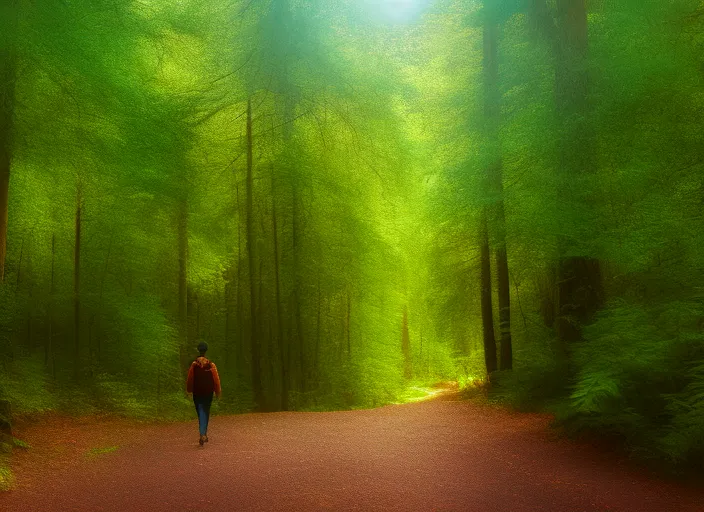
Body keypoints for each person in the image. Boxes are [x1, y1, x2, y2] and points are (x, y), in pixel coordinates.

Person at [186, 342, 221, 446]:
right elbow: (216, 379)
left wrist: (189, 390)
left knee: (200, 410)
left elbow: (190, 378)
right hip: (208, 392)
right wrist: (217, 391)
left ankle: (203, 433)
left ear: (199, 350)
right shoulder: (211, 364)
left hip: (197, 391)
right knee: (205, 410)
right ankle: (203, 433)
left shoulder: (194, 364)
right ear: (206, 351)